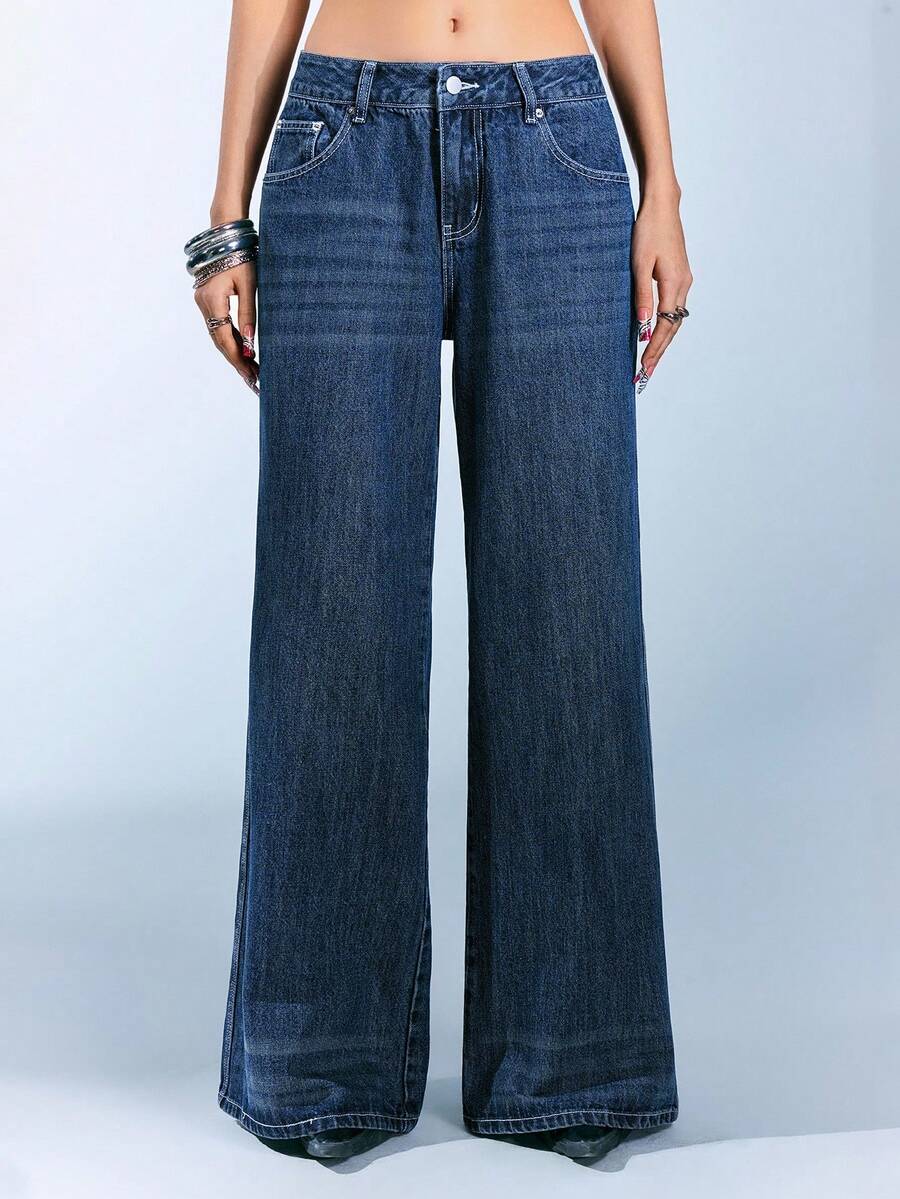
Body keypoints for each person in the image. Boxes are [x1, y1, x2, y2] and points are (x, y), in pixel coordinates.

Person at [188, 0, 691, 1164]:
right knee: (334, 607)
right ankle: (319, 1060)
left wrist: (662, 183)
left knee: (568, 603)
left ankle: (575, 1057)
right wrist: (226, 214)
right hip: (343, 138)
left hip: (555, 134)